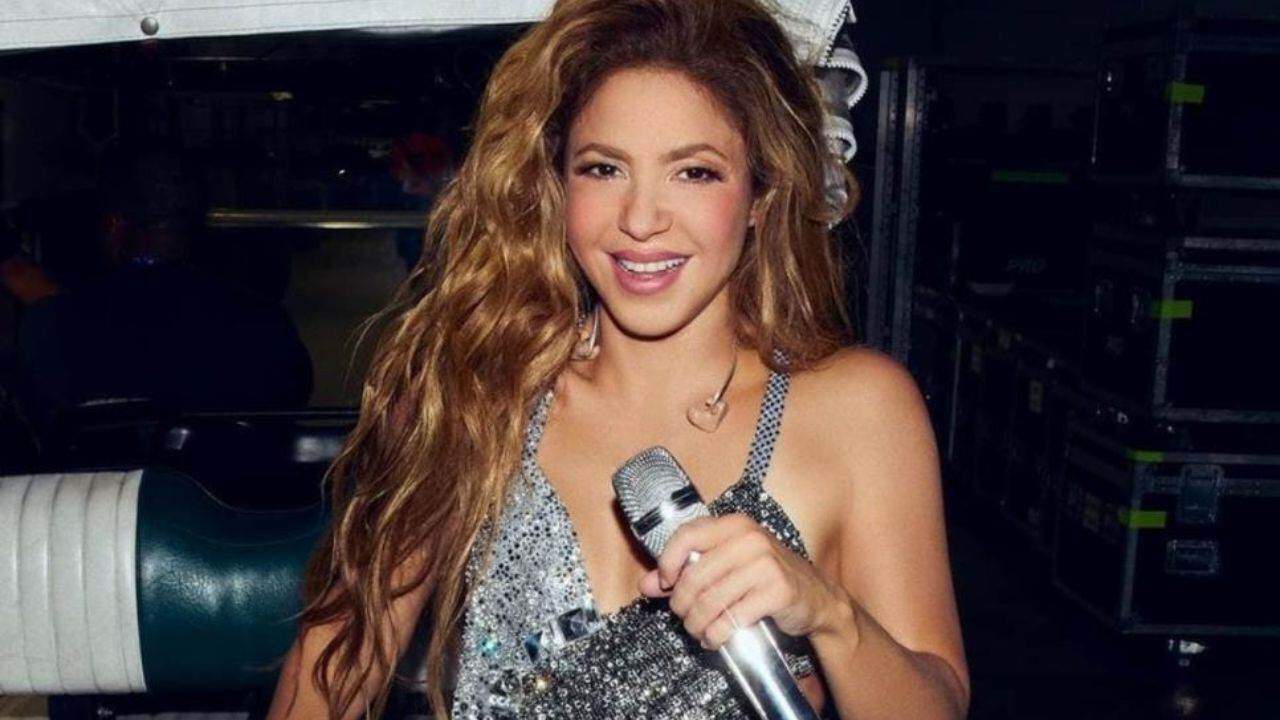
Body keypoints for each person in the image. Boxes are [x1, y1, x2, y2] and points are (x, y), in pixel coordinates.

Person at [268, 0, 969, 718]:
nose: (639, 220)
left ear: (762, 193)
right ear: (556, 184)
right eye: (603, 169)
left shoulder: (858, 410)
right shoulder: (479, 389)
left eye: (694, 173)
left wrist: (829, 614)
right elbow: (330, 670)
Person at [2, 148, 314, 437]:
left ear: (113, 226)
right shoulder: (264, 320)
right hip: (233, 475)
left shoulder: (58, 323)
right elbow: (290, 398)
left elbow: (41, 414)